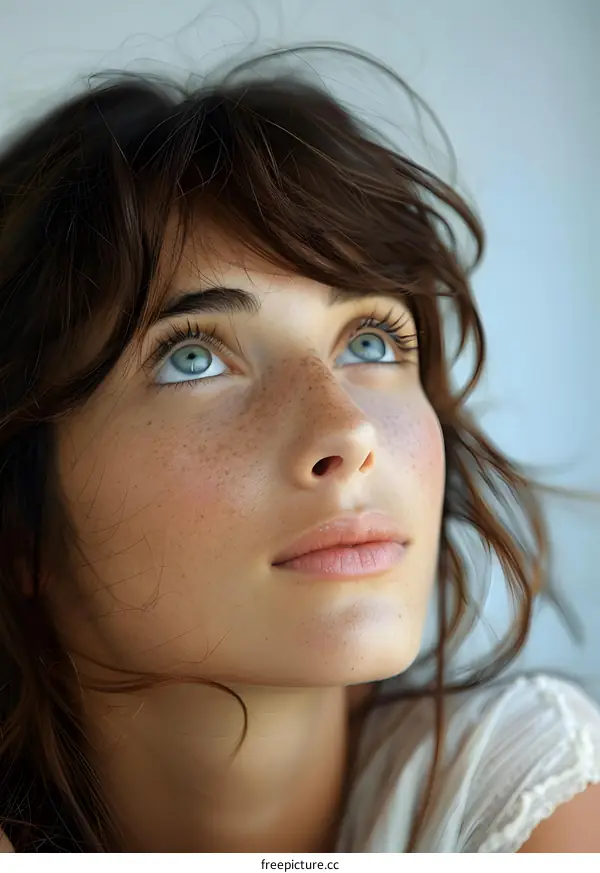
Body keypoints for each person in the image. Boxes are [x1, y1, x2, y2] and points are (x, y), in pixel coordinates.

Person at [0, 47, 598, 854]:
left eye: (372, 339)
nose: (347, 432)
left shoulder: (529, 803)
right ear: (19, 521)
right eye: (193, 357)